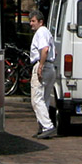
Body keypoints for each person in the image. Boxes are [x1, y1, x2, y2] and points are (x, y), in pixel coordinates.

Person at [28, 9, 57, 139]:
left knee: (36, 99)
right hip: (50, 66)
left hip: (43, 65)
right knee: (44, 98)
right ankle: (42, 127)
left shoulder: (41, 32)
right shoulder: (47, 32)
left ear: (41, 22)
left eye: (33, 21)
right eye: (30, 21)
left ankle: (48, 126)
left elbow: (44, 49)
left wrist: (40, 66)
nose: (31, 23)